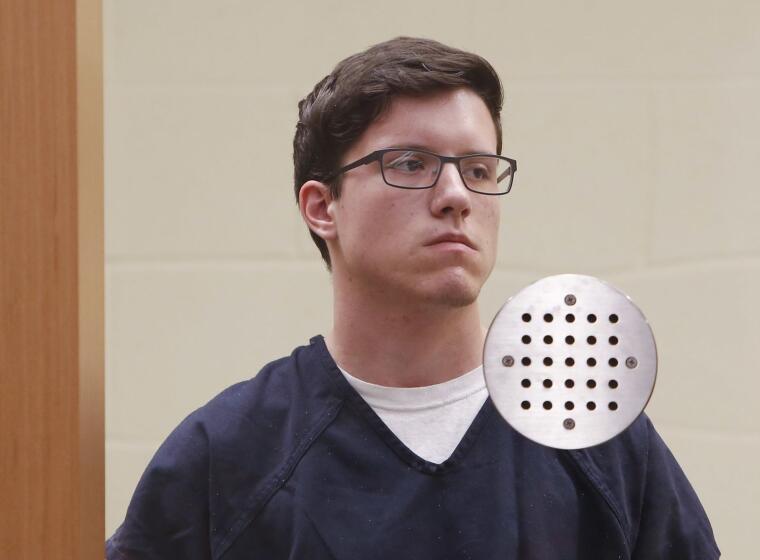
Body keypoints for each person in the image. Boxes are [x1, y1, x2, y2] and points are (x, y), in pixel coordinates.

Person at [107, 37, 720, 559]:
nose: (456, 195)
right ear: (323, 207)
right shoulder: (227, 454)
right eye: (410, 163)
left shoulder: (592, 435)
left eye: (478, 169)